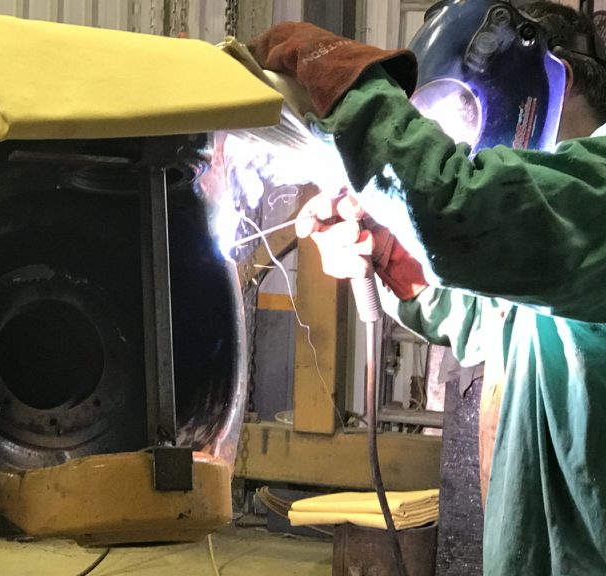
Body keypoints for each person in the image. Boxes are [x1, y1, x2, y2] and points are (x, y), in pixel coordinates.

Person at [247, 1, 606, 574]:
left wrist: (347, 81)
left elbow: (455, 210)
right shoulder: (551, 233)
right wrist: (393, 258)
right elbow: (491, 320)